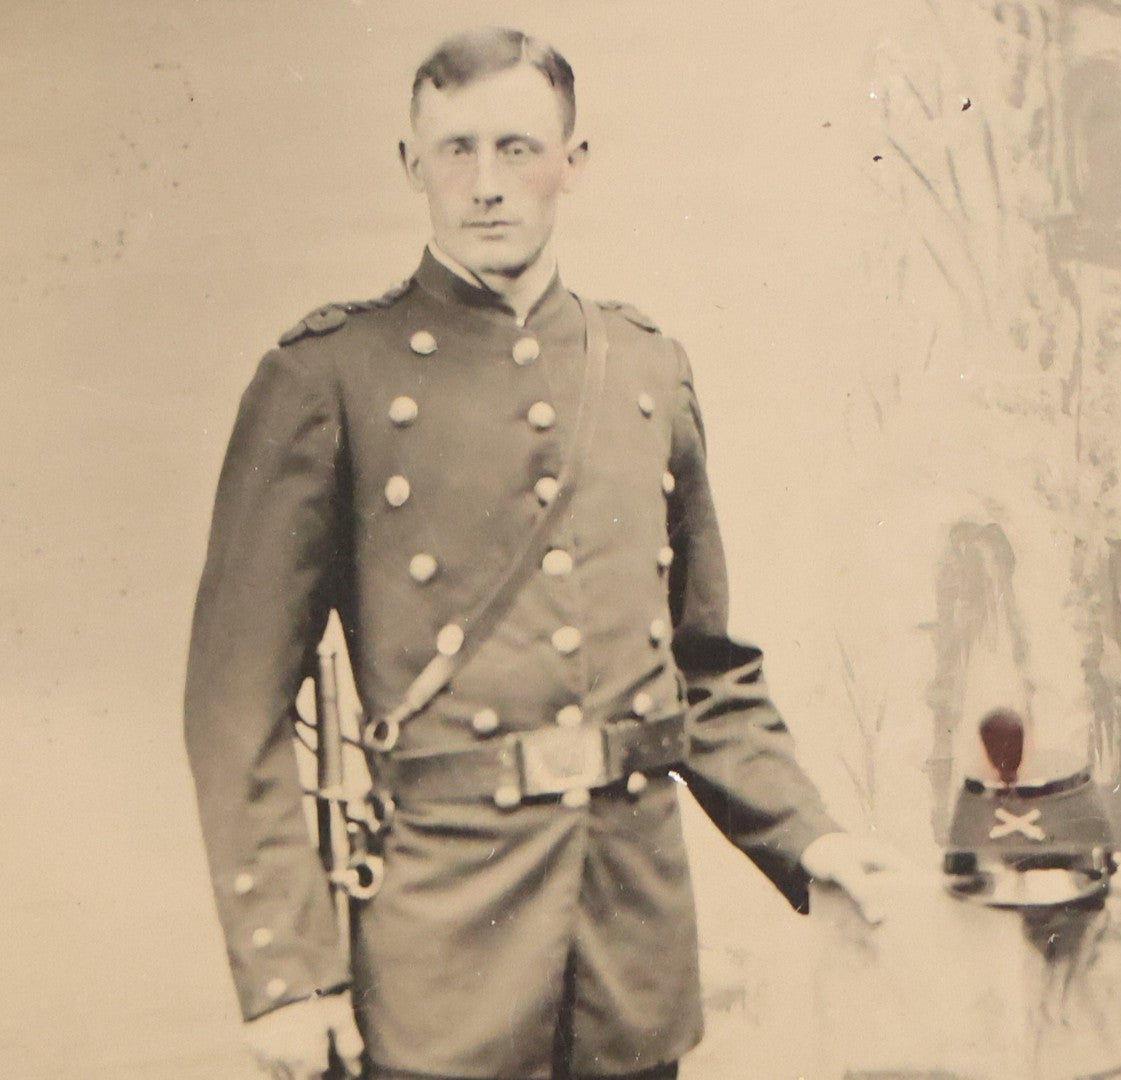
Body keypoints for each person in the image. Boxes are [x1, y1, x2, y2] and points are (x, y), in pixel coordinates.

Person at [184, 26, 902, 1080]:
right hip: (443, 945)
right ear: (410, 166)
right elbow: (235, 705)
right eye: (455, 150)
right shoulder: (325, 378)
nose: (486, 185)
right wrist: (288, 978)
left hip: (629, 940)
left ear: (573, 162)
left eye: (518, 148)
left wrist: (812, 837)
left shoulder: (647, 371)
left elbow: (702, 671)